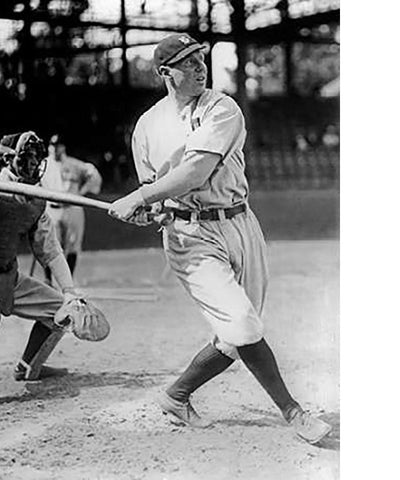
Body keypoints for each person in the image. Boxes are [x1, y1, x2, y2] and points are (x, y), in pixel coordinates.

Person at [108, 34, 332, 444]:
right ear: (165, 73)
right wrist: (149, 209)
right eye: (188, 62)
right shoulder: (147, 127)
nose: (199, 67)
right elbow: (153, 188)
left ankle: (176, 395)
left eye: (200, 60)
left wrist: (141, 197)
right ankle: (293, 412)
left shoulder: (221, 107)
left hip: (240, 224)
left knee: (236, 335)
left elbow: (195, 172)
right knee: (243, 324)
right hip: (190, 236)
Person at [0, 131, 103, 381]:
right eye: (27, 158)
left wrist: (69, 291)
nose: (33, 164)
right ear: (7, 160)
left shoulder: (35, 202)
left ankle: (29, 367)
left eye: (36, 159)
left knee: (62, 311)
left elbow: (51, 251)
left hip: (7, 276)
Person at [41, 134, 102, 284]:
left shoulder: (74, 164)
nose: (55, 149)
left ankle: (69, 281)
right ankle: (48, 280)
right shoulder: (43, 166)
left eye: (58, 146)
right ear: (49, 147)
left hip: (72, 208)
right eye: (53, 146)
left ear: (63, 147)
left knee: (72, 245)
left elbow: (93, 175)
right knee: (50, 245)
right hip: (51, 208)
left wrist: (84, 189)